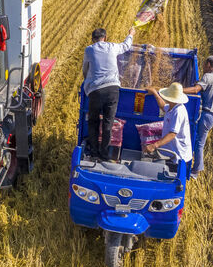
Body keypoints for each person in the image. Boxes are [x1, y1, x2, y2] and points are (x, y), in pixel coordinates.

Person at [82, 26, 135, 160]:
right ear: (105, 37)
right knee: (108, 122)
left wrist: (87, 81)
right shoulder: (112, 47)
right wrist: (131, 34)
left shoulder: (89, 49)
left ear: (93, 39)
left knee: (93, 121)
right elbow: (126, 46)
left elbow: (85, 68)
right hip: (112, 89)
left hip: (95, 90)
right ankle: (105, 154)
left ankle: (94, 153)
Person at [183, 55, 213, 179]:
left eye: (205, 64)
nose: (203, 67)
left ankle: (195, 171)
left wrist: (179, 90)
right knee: (199, 141)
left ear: (209, 65)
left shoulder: (207, 77)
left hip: (207, 115)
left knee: (199, 144)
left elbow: (196, 90)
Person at [145, 82, 193, 175]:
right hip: (172, 152)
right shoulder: (172, 106)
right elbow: (163, 106)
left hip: (179, 156)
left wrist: (154, 145)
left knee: (171, 177)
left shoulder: (179, 111)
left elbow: (172, 134)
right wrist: (155, 93)